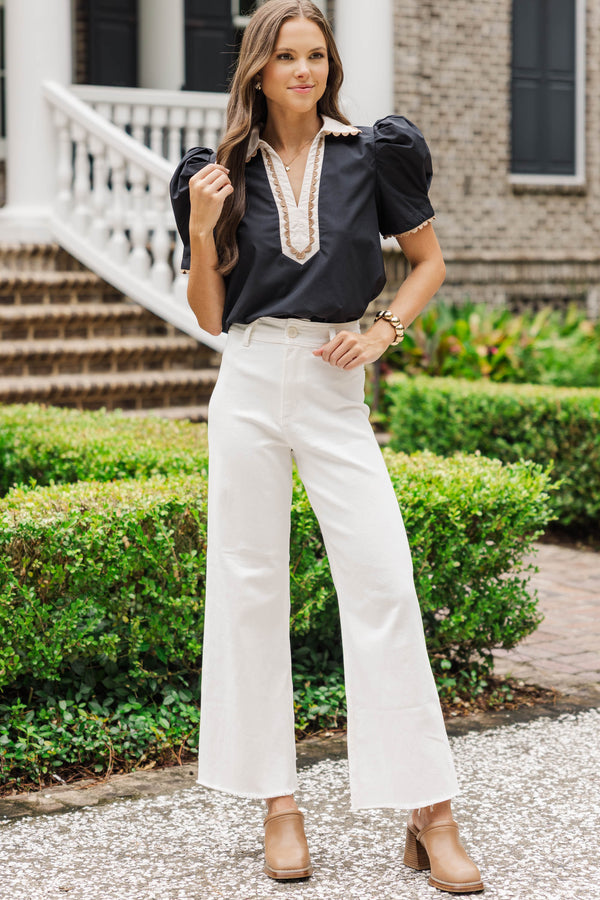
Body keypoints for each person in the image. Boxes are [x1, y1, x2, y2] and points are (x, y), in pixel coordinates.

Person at [170, 0, 484, 892]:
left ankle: (432, 813)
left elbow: (428, 262)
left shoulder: (371, 153)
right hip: (251, 375)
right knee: (250, 587)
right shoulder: (216, 172)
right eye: (286, 56)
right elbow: (206, 315)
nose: (303, 70)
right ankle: (280, 805)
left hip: (335, 382)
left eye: (315, 54)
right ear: (258, 70)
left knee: (384, 580)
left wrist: (383, 331)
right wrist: (199, 227)